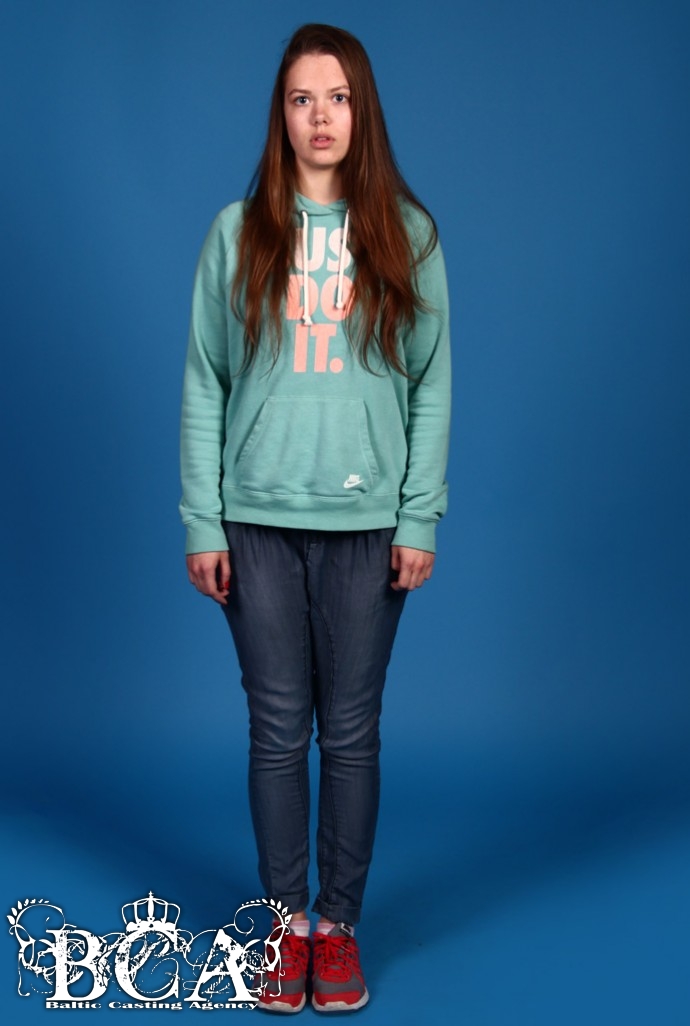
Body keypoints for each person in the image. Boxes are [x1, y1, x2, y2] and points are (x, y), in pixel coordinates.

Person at [180, 23, 451, 1014]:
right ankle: (285, 924)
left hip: (368, 527)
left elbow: (432, 385)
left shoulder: (408, 235)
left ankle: (337, 930)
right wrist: (202, 521)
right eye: (302, 99)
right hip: (254, 520)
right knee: (275, 731)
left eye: (337, 98)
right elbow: (206, 381)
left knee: (351, 732)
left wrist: (418, 517)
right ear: (281, 115)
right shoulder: (237, 233)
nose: (320, 117)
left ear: (361, 110)